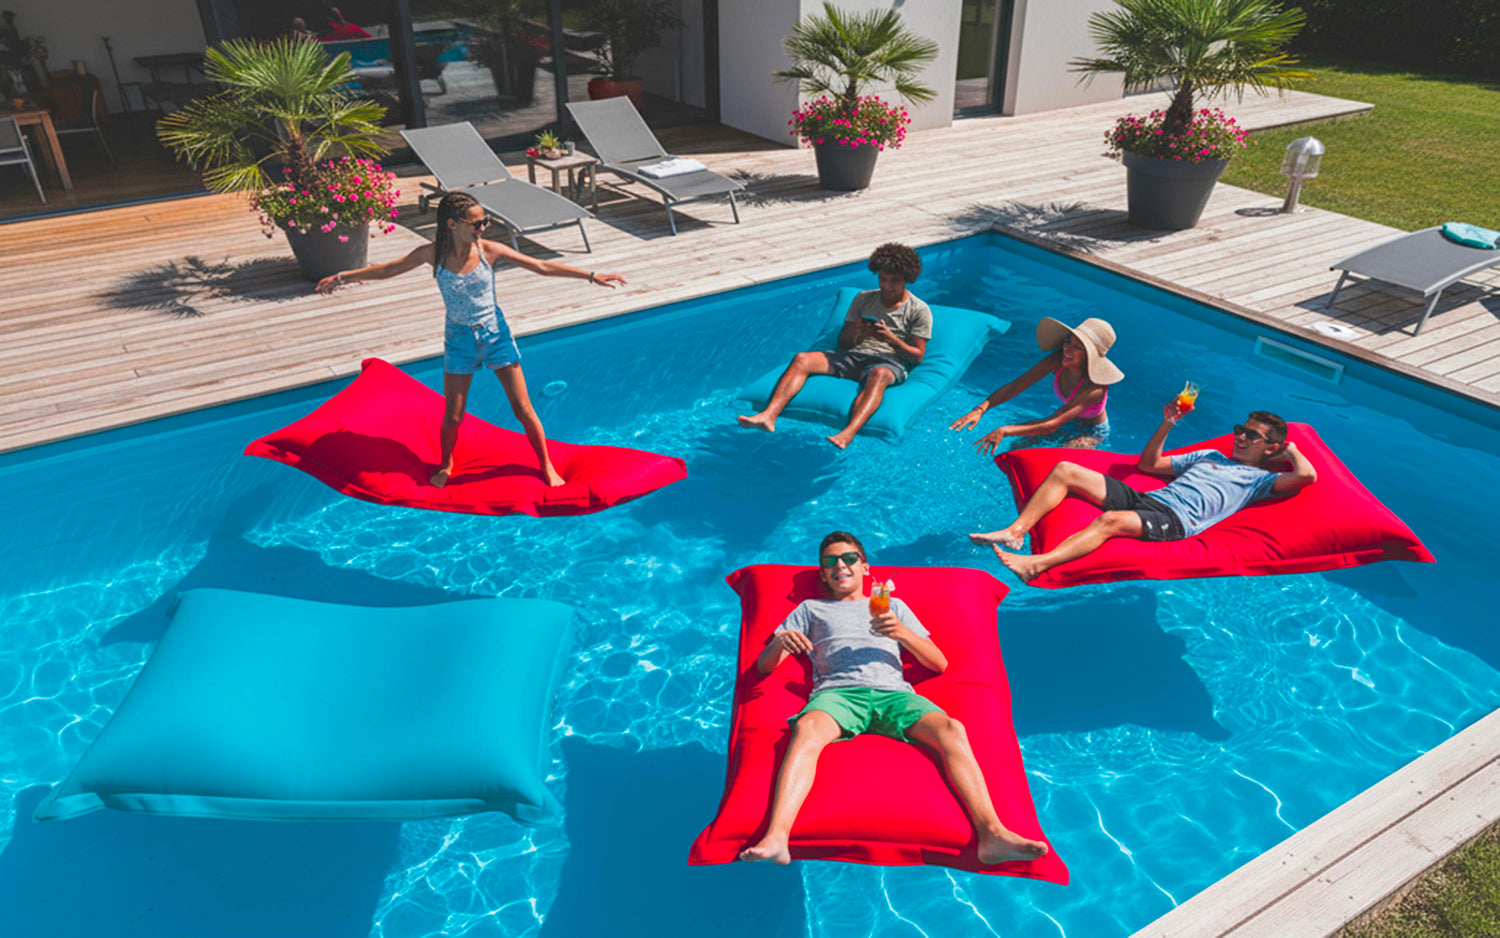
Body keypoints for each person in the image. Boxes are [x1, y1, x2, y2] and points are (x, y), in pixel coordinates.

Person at [738, 531, 1051, 866]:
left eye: (848, 558)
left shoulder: (893, 606)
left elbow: (939, 663)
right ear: (824, 574)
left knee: (952, 729)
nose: (840, 565)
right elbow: (764, 667)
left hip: (895, 695)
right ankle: (777, 837)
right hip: (838, 694)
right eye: (830, 562)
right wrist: (781, 642)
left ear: (864, 567)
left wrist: (901, 633)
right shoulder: (811, 609)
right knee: (807, 730)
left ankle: (992, 834)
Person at [315, 192, 626, 487]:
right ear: (452, 224)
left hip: (495, 335)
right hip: (459, 341)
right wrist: (342, 276)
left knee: (522, 409)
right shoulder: (432, 254)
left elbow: (541, 266)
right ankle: (446, 464)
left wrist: (591, 276)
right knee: (454, 415)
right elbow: (388, 270)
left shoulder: (489, 250)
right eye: (476, 223)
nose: (483, 227)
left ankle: (546, 465)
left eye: (485, 221)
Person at [973, 407, 1317, 582]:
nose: (1240, 437)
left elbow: (1307, 476)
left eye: (1251, 436)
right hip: (1151, 499)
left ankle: (1037, 564)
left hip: (1176, 520)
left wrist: (1290, 450)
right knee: (1065, 469)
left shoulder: (1258, 479)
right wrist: (1168, 422)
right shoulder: (1210, 455)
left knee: (1110, 521)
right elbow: (1149, 464)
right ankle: (1015, 531)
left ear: (1270, 447)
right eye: (1241, 429)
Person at [738, 243, 932, 449]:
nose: (887, 286)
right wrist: (857, 331)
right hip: (853, 356)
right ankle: (768, 416)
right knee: (802, 359)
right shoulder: (863, 299)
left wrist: (890, 339)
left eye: (894, 281)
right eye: (883, 279)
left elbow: (917, 356)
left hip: (888, 362)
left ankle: (847, 433)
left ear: (907, 279)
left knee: (879, 375)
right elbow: (843, 343)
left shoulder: (919, 310)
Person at [950, 317, 1122, 452]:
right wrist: (981, 409)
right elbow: (1016, 386)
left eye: (1077, 347)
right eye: (1068, 341)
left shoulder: (1093, 388)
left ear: (1089, 356)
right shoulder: (1056, 361)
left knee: (1059, 460)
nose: (1067, 349)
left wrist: (1004, 430)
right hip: (1066, 421)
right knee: (1018, 446)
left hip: (1091, 432)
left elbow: (1052, 424)